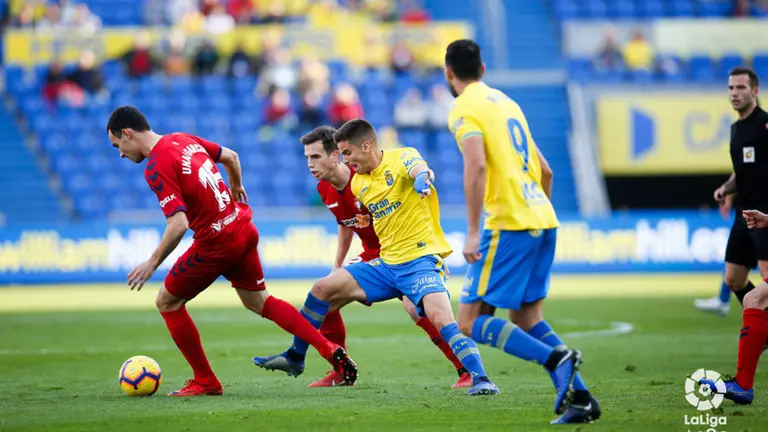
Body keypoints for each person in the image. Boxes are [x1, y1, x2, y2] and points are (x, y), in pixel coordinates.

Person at [106, 106, 358, 396]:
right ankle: (328, 348)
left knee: (167, 302)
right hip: (241, 226)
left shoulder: (156, 165)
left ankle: (206, 381)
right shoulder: (182, 139)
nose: (121, 154)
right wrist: (236, 185)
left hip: (215, 241)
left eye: (118, 146)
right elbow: (232, 157)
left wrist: (152, 262)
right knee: (259, 302)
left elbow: (178, 224)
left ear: (128, 134)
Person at [252, 118, 499, 396]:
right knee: (323, 291)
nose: (343, 160)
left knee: (429, 313)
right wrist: (338, 265)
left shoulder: (393, 161)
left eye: (344, 153)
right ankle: (313, 361)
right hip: (382, 260)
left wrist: (422, 181)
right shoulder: (354, 185)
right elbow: (348, 223)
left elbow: (419, 170)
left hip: (415, 258)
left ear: (359, 148)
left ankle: (476, 375)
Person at [444, 39, 598, 424]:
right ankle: (581, 398)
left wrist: (472, 232)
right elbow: (546, 169)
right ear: (483, 70)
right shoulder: (507, 103)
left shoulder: (464, 107)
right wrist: (537, 212)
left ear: (449, 73)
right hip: (542, 218)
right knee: (526, 318)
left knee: (468, 322)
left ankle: (556, 358)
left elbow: (476, 166)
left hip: (508, 223)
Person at [699, 69, 768, 405]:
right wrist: (726, 189)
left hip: (765, 216)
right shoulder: (736, 129)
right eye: (730, 87)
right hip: (744, 213)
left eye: (741, 87)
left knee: (764, 291)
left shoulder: (765, 125)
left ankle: (759, 333)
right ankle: (762, 329)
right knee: (734, 277)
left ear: (755, 90)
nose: (734, 93)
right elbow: (743, 171)